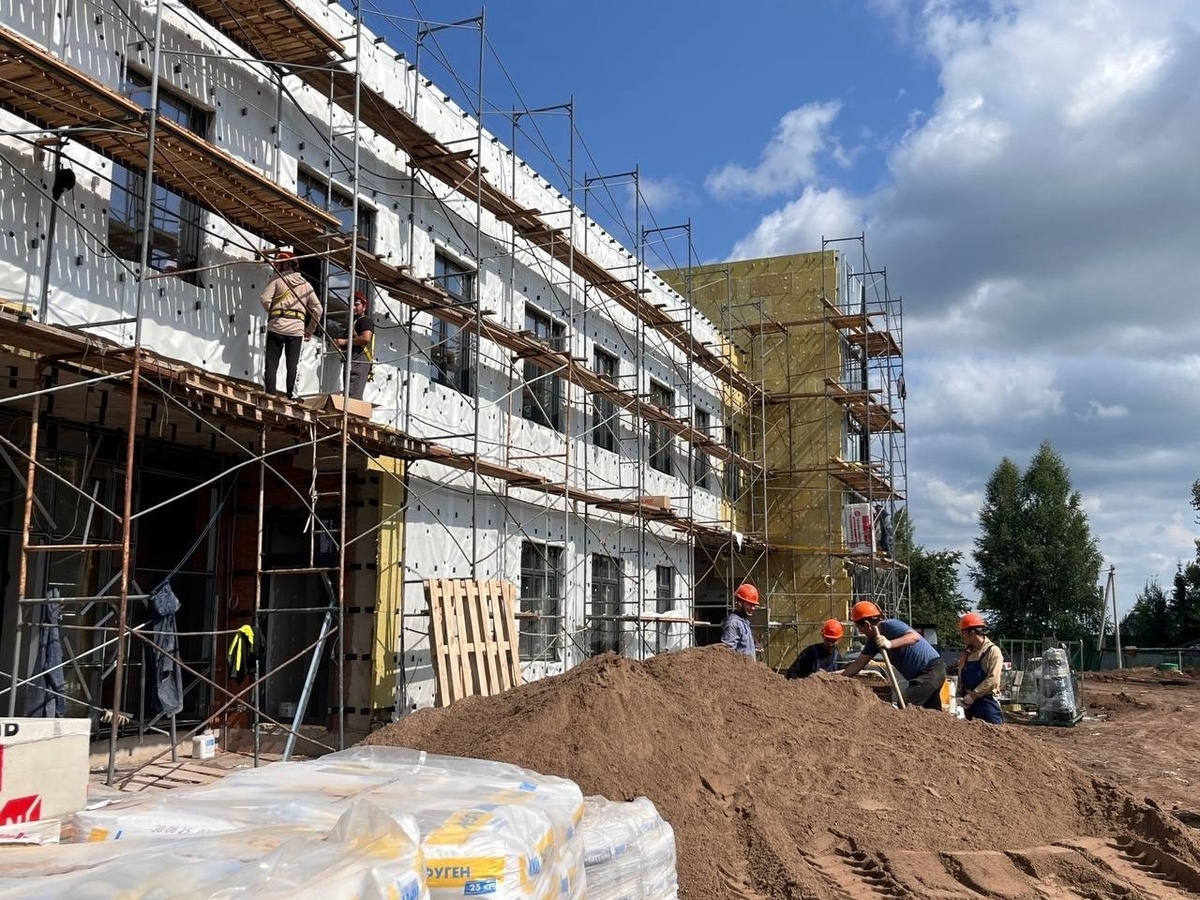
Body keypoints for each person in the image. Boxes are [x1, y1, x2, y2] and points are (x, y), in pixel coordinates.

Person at [840, 600, 947, 709]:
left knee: (906, 704)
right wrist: (838, 679)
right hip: (923, 675)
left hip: (931, 670)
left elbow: (914, 637)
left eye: (859, 627)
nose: (861, 631)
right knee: (931, 711)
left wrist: (889, 643)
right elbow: (858, 663)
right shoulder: (873, 642)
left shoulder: (890, 625)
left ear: (867, 625)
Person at [260, 251, 322, 397]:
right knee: (292, 364)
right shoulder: (306, 285)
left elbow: (264, 299)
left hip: (276, 326)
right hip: (296, 330)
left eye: (279, 263)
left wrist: (274, 313)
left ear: (286, 264)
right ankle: (290, 395)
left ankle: (270, 393)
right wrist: (310, 329)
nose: (277, 266)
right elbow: (318, 309)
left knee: (272, 363)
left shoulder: (277, 279)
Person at [957, 612, 1003, 724]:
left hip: (987, 703)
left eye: (964, 633)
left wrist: (973, 695)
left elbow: (993, 679)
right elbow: (961, 673)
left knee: (994, 732)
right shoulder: (967, 652)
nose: (962, 636)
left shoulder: (992, 651)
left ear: (972, 633)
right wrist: (960, 694)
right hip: (969, 703)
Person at [334, 290, 375, 400]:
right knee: (349, 394)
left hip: (359, 362)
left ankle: (353, 411)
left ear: (364, 307)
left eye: (356, 305)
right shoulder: (354, 323)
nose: (353, 308)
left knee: (353, 396)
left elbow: (366, 338)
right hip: (353, 362)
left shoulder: (364, 321)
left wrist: (344, 342)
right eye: (351, 305)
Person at [720, 583, 759, 659]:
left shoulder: (744, 621)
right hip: (741, 666)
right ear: (740, 603)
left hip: (749, 666)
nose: (753, 608)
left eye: (754, 605)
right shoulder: (733, 623)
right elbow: (727, 653)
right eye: (750, 604)